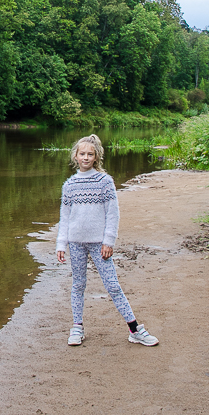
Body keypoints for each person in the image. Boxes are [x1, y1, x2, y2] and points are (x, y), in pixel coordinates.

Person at [56, 134, 159, 347]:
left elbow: (113, 214)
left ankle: (135, 330)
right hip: (75, 243)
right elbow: (64, 217)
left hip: (99, 244)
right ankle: (77, 327)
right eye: (82, 154)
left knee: (112, 285)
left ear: (96, 157)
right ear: (75, 156)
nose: (85, 157)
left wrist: (108, 241)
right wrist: (61, 244)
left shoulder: (105, 182)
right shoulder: (70, 185)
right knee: (78, 285)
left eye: (90, 154)